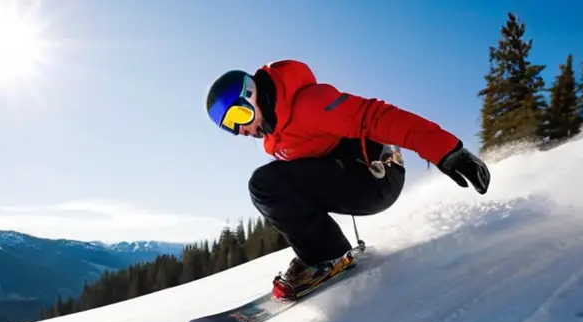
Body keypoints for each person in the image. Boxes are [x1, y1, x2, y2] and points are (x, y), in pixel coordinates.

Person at [205, 59, 490, 299]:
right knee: (271, 183)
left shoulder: (309, 104)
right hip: (353, 176)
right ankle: (328, 254)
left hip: (377, 174)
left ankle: (326, 257)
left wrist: (446, 150)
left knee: (264, 184)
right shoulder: (276, 136)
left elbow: (375, 117)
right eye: (230, 127)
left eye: (240, 115)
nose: (241, 129)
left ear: (253, 95)